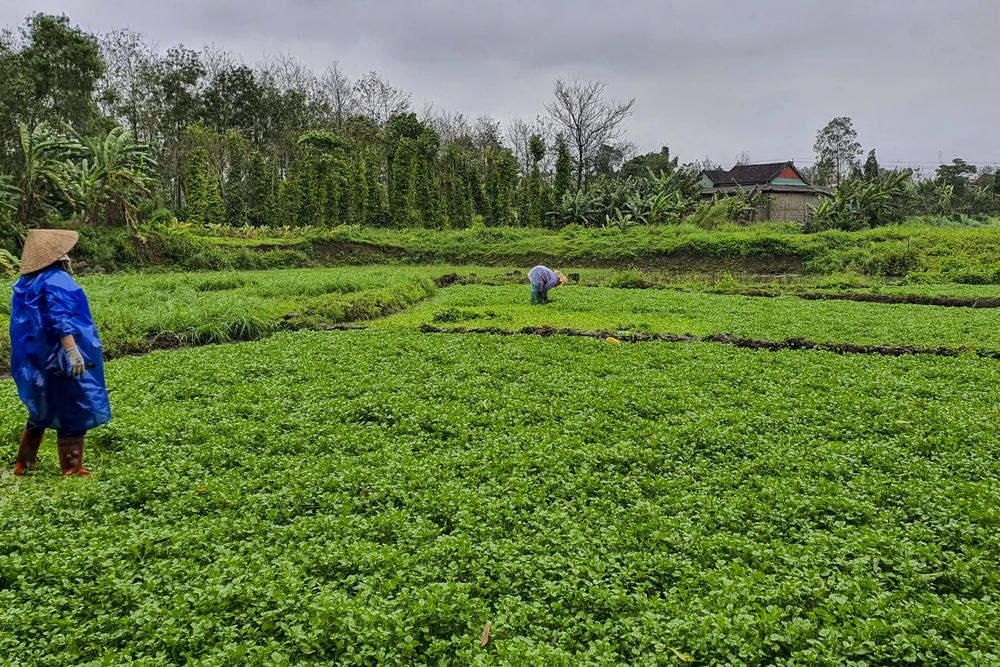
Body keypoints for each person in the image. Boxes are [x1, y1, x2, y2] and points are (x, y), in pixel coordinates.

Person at [10, 229, 111, 476]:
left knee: (44, 406)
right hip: (62, 354)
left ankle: (25, 462)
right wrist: (73, 351)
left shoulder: (26, 283)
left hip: (39, 356)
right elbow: (59, 318)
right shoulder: (56, 279)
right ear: (58, 256)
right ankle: (72, 468)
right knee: (75, 405)